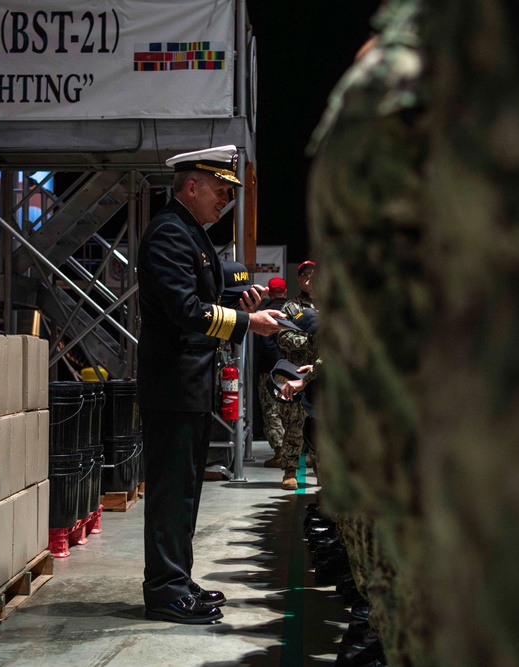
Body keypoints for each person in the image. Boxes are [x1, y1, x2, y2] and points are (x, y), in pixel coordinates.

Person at [136, 144, 285, 625]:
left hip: (188, 385)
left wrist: (236, 297)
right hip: (173, 386)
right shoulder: (168, 234)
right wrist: (246, 323)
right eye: (221, 191)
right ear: (193, 185)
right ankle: (163, 589)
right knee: (170, 493)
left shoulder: (188, 233)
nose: (225, 201)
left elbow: (202, 292)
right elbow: (185, 310)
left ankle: (177, 579)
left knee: (184, 493)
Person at [275, 261, 319, 490]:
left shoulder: (330, 303)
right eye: (306, 275)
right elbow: (282, 336)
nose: (310, 279)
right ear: (300, 279)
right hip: (297, 374)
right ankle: (290, 470)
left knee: (320, 426)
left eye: (314, 274)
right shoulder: (291, 307)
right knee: (294, 424)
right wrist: (309, 338)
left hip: (322, 376)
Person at [256, 276, 288, 467]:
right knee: (290, 410)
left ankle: (279, 452)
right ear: (284, 291)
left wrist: (278, 363)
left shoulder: (265, 312)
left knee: (271, 411)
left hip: (268, 370)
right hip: (292, 370)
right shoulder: (293, 310)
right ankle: (291, 452)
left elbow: (266, 342)